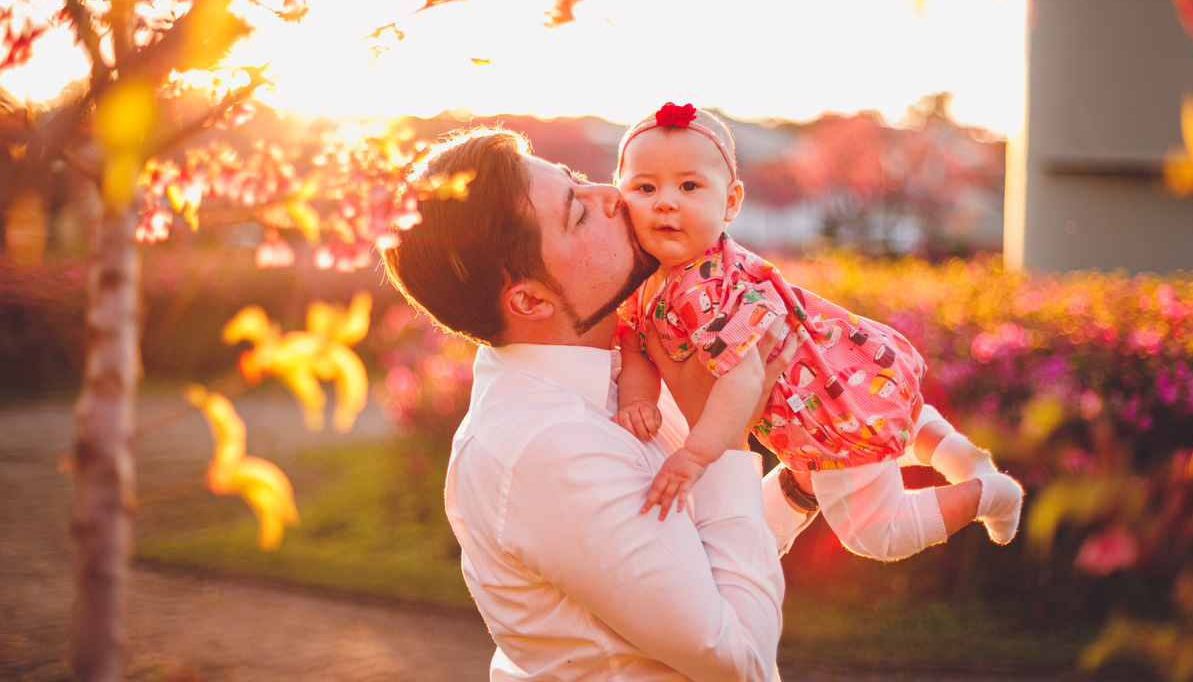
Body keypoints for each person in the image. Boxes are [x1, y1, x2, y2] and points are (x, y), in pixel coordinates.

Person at [382, 126, 820, 681]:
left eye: (578, 180)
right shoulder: (549, 447)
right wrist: (728, 443)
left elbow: (695, 557)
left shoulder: (619, 367)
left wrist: (796, 488)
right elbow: (739, 659)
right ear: (530, 300)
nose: (611, 196)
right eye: (578, 214)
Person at [611, 102, 1024, 562]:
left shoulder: (710, 286)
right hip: (838, 380)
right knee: (893, 418)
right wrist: (636, 398)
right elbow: (633, 341)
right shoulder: (646, 279)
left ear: (730, 202)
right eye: (645, 187)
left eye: (689, 186)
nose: (665, 201)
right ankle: (964, 459)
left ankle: (989, 494)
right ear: (619, 195)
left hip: (822, 413)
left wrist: (696, 455)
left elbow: (744, 379)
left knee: (876, 534)